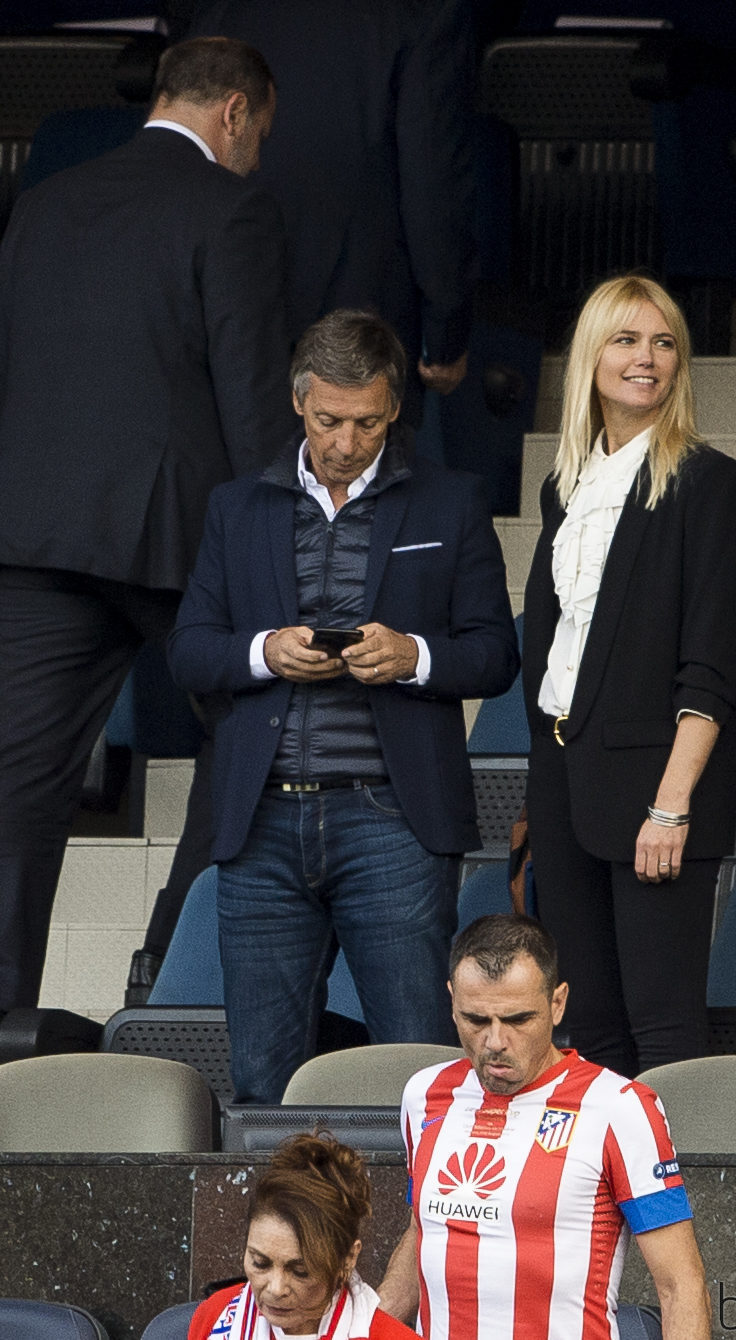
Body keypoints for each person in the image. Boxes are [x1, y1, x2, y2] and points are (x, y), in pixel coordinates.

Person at [0, 37, 294, 1014]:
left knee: (19, 788)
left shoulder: (40, 207)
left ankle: (4, 1016)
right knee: (259, 723)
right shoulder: (233, 206)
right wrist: (279, 552)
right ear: (236, 114)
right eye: (261, 132)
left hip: (35, 532)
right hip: (177, 531)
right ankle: (169, 973)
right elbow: (254, 400)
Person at [167, 309, 520, 1104]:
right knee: (262, 1078)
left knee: (418, 1070)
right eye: (328, 420)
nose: (345, 442)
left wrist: (411, 656)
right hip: (260, 822)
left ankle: (419, 1229)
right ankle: (286, 1232)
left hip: (391, 818)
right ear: (299, 402)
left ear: (394, 408)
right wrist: (265, 651)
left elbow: (495, 653)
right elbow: (188, 649)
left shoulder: (449, 502)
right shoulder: (237, 506)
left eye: (365, 422)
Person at [520, 274, 736, 1076]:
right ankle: (611, 1203)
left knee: (661, 1026)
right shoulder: (566, 486)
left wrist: (670, 804)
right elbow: (556, 654)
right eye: (625, 340)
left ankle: (668, 1203)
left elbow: (712, 665)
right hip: (564, 777)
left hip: (655, 790)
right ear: (590, 357)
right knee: (588, 1024)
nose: (646, 359)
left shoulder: (707, 482)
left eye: (662, 343)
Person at [378, 913, 712, 1340]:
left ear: (557, 1004)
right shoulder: (424, 1093)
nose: (495, 1041)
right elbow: (423, 1231)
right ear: (451, 1001)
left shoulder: (620, 1107)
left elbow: (680, 1287)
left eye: (518, 1020)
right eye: (476, 1020)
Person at [187, 0, 476, 424]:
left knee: (243, 483)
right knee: (360, 480)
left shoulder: (224, 9)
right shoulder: (422, 11)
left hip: (233, 302)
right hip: (363, 313)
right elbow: (432, 179)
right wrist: (446, 337)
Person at [188, 1132, 418, 1340]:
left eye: (301, 1271)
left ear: (348, 1257)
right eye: (260, 1263)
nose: (276, 1289)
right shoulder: (216, 1316)